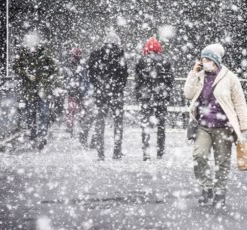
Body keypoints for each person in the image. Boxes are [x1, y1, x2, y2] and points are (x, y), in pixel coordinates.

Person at [184, 43, 247, 208]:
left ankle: (219, 192)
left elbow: (240, 104)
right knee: (199, 156)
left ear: (215, 61)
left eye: (207, 59)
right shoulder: (199, 75)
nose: (204, 62)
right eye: (203, 59)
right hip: (203, 126)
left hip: (223, 127)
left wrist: (245, 127)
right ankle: (206, 188)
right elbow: (188, 94)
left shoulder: (230, 78)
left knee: (222, 161)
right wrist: (193, 73)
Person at [13, 31, 58, 150]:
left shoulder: (45, 52)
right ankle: (33, 137)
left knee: (43, 113)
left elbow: (54, 69)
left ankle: (42, 136)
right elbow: (16, 67)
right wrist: (26, 74)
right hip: (29, 89)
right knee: (30, 115)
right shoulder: (23, 53)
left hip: (43, 88)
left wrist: (49, 80)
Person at [87, 32, 128, 160]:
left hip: (100, 93)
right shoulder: (120, 55)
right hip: (116, 93)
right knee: (118, 123)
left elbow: (90, 74)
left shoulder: (96, 54)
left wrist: (98, 86)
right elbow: (124, 75)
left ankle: (100, 153)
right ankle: (116, 151)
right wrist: (118, 87)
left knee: (100, 122)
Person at [135, 37, 173, 161]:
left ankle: (146, 153)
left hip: (146, 97)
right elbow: (169, 80)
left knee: (145, 125)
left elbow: (138, 80)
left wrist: (139, 94)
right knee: (161, 125)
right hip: (160, 96)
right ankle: (160, 152)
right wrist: (166, 94)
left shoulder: (141, 61)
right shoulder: (165, 61)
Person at [62, 47, 85, 136]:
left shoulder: (71, 64)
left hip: (75, 89)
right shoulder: (80, 64)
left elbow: (67, 77)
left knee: (72, 110)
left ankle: (72, 127)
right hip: (75, 90)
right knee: (74, 110)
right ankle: (74, 127)